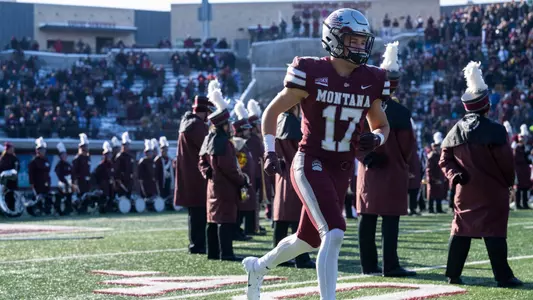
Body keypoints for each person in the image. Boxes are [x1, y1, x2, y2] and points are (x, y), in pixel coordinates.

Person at [243, 8, 391, 300]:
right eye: (354, 40)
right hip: (311, 161)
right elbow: (272, 112)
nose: (361, 46)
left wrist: (376, 138)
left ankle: (258, 267)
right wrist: (270, 150)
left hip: (342, 167)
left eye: (363, 41)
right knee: (334, 232)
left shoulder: (371, 79)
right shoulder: (311, 71)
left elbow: (382, 125)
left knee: (306, 240)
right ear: (334, 38)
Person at [439, 61, 523, 287]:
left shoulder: (454, 129)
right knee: (495, 234)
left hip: (464, 191)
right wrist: (509, 184)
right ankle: (503, 277)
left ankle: (452, 274)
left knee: (460, 233)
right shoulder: (496, 130)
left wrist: (455, 176)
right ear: (486, 105)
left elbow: (444, 160)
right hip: (492, 192)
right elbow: (506, 163)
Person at [356, 96, 417, 277]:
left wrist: (365, 157)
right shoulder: (401, 112)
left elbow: (351, 136)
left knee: (367, 218)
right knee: (390, 221)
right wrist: (401, 162)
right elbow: (408, 146)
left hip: (369, 170)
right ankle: (390, 265)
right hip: (393, 170)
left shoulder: (363, 106)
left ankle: (368, 265)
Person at [198, 86, 249, 261]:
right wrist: (242, 180)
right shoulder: (224, 143)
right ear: (223, 125)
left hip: (213, 186)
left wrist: (209, 174)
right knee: (225, 220)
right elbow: (229, 168)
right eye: (228, 124)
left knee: (212, 220)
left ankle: (213, 253)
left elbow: (202, 162)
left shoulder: (208, 139)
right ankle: (226, 253)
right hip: (225, 187)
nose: (230, 127)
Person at [273, 104, 315, 269]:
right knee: (298, 220)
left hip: (283, 176)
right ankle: (301, 258)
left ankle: (279, 256)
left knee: (282, 218)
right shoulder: (294, 125)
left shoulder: (279, 123)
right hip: (296, 173)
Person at [175, 94, 212, 254]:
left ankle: (195, 243)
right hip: (197, 176)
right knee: (200, 213)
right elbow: (208, 147)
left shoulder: (187, 124)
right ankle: (198, 244)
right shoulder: (197, 126)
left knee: (194, 214)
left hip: (189, 175)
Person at [232, 101, 257, 236]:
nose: (249, 131)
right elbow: (241, 165)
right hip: (241, 181)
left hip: (246, 181)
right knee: (240, 206)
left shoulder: (243, 144)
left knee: (245, 204)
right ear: (241, 131)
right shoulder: (238, 145)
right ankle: (236, 230)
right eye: (246, 129)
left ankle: (238, 229)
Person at [28, 137, 52, 215]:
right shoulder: (34, 161)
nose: (43, 151)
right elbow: (31, 173)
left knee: (48, 197)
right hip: (38, 183)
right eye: (41, 150)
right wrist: (31, 183)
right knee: (38, 198)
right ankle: (38, 211)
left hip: (46, 183)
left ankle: (47, 211)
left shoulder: (46, 160)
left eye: (44, 150)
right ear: (37, 151)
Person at [512, 125, 531, 209]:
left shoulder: (524, 148)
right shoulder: (517, 148)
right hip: (519, 170)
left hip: (524, 170)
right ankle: (518, 204)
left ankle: (524, 203)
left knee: (525, 187)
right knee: (519, 188)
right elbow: (518, 159)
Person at [426, 132, 446, 213]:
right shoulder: (432, 156)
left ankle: (439, 209)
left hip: (439, 177)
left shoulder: (439, 156)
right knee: (431, 195)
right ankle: (430, 209)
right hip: (433, 178)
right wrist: (434, 179)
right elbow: (429, 169)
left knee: (439, 194)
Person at [93, 141, 115, 213]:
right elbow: (94, 176)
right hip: (103, 186)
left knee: (111, 198)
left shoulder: (111, 165)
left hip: (110, 186)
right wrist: (98, 187)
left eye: (110, 154)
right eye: (107, 154)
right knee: (103, 199)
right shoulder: (100, 166)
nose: (109, 156)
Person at [72, 133, 91, 212]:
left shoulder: (87, 158)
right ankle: (80, 210)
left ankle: (85, 209)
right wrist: (75, 183)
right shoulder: (77, 158)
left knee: (86, 196)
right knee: (81, 196)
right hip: (80, 181)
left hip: (86, 181)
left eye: (86, 146)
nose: (86, 147)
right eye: (84, 146)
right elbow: (74, 172)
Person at [408, 119, 423, 215]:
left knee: (414, 191)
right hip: (410, 172)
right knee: (408, 192)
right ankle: (409, 208)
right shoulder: (409, 144)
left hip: (415, 172)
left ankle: (412, 208)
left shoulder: (415, 144)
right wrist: (407, 171)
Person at [54, 142, 74, 215]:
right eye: (62, 155)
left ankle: (68, 210)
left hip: (69, 183)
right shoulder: (59, 165)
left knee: (69, 197)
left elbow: (72, 173)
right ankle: (58, 211)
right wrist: (65, 181)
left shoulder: (68, 164)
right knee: (60, 197)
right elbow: (59, 174)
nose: (64, 156)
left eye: (65, 155)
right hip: (62, 184)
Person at [0, 142, 20, 215]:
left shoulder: (14, 158)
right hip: (4, 182)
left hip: (13, 181)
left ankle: (12, 211)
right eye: (11, 148)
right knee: (4, 197)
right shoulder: (2, 158)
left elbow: (17, 168)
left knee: (12, 197)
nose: (12, 150)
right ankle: (4, 212)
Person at [114, 132, 136, 199]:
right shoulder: (119, 157)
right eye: (125, 145)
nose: (127, 146)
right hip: (122, 182)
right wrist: (119, 182)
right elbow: (117, 171)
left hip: (129, 181)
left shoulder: (130, 156)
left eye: (128, 145)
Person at [155, 136, 173, 203]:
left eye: (166, 149)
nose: (164, 151)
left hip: (168, 180)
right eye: (163, 149)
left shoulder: (169, 159)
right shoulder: (158, 160)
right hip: (161, 181)